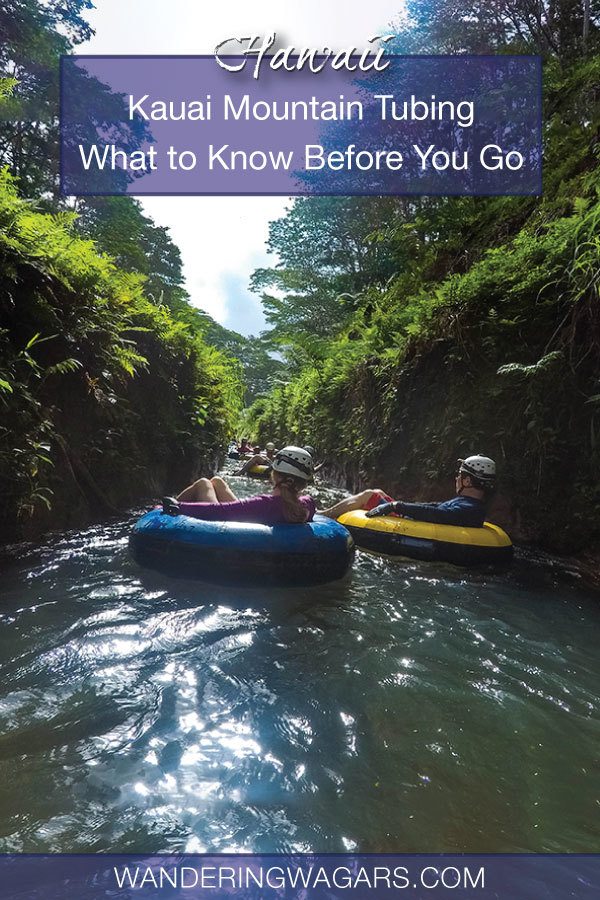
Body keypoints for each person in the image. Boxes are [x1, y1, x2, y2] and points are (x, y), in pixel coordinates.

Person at [320, 456, 496, 528]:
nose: (456, 479)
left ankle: (326, 514)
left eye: (459, 475)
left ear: (467, 481)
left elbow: (438, 514)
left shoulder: (469, 509)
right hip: (415, 519)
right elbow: (436, 507)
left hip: (413, 524)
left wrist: (397, 506)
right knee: (378, 492)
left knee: (370, 495)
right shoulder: (472, 505)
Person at [162, 446, 315, 525]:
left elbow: (218, 512)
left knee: (203, 483)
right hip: (252, 519)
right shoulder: (308, 504)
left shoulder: (264, 505)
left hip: (226, 528)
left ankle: (163, 515)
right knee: (217, 481)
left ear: (275, 474)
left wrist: (178, 506)